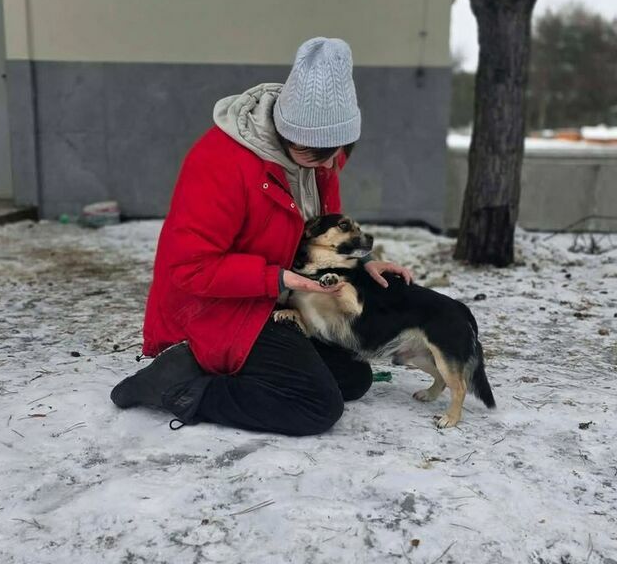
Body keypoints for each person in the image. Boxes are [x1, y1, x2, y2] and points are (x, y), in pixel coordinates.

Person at [110, 37, 411, 435]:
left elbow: (319, 233)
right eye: (318, 154)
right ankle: (178, 386)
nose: (328, 165)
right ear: (288, 131)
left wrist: (362, 262)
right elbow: (189, 267)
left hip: (273, 300)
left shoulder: (320, 157)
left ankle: (224, 370)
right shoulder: (221, 162)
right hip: (214, 307)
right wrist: (277, 278)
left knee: (353, 379)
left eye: (336, 151)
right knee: (316, 407)